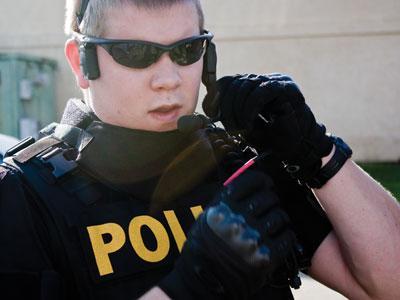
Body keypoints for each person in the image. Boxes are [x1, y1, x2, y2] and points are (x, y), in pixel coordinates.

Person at [0, 0, 399, 299]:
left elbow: (387, 284)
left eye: (186, 50)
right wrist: (192, 285)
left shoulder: (237, 165)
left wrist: (317, 152)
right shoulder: (22, 195)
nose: (169, 79)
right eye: (136, 54)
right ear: (81, 63)